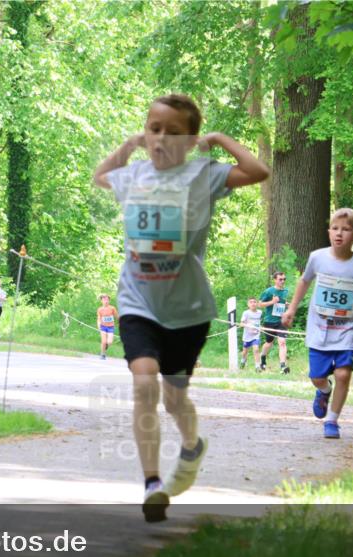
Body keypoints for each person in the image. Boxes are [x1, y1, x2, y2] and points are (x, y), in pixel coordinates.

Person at [94, 93, 269, 521]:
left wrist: (220, 138)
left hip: (188, 308)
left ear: (190, 141)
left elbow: (259, 171)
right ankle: (152, 482)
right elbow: (101, 175)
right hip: (138, 301)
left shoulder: (203, 175)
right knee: (143, 380)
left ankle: (191, 446)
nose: (161, 139)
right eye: (154, 129)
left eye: (174, 133)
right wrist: (129, 145)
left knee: (175, 399)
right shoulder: (133, 176)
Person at [281, 208, 353, 440]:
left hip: (347, 329)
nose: (339, 234)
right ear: (329, 232)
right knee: (317, 376)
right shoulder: (318, 257)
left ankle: (332, 421)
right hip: (319, 328)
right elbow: (304, 283)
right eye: (335, 228)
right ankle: (324, 390)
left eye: (346, 229)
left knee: (344, 374)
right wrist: (291, 309)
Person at [257, 271, 290, 373]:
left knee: (282, 342)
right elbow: (259, 304)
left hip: (281, 321)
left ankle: (283, 366)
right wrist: (272, 302)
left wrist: (287, 305)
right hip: (270, 321)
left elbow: (283, 303)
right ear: (275, 280)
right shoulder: (268, 291)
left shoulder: (286, 291)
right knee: (269, 343)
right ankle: (262, 359)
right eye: (280, 279)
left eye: (284, 279)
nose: (282, 281)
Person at [239, 297, 261, 369]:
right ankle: (243, 361)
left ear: (257, 304)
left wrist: (261, 327)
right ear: (248, 304)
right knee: (245, 351)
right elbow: (241, 324)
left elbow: (261, 322)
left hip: (256, 335)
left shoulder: (260, 312)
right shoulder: (246, 313)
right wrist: (245, 324)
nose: (253, 303)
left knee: (256, 349)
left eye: (254, 302)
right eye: (251, 302)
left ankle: (257, 366)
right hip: (247, 336)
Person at [96, 293, 118, 360]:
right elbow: (99, 318)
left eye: (107, 300)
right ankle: (103, 354)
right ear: (101, 301)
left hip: (110, 327)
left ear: (109, 301)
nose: (106, 301)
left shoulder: (112, 308)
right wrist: (99, 325)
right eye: (104, 300)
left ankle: (105, 346)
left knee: (109, 342)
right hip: (103, 327)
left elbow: (117, 316)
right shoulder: (100, 309)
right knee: (104, 341)